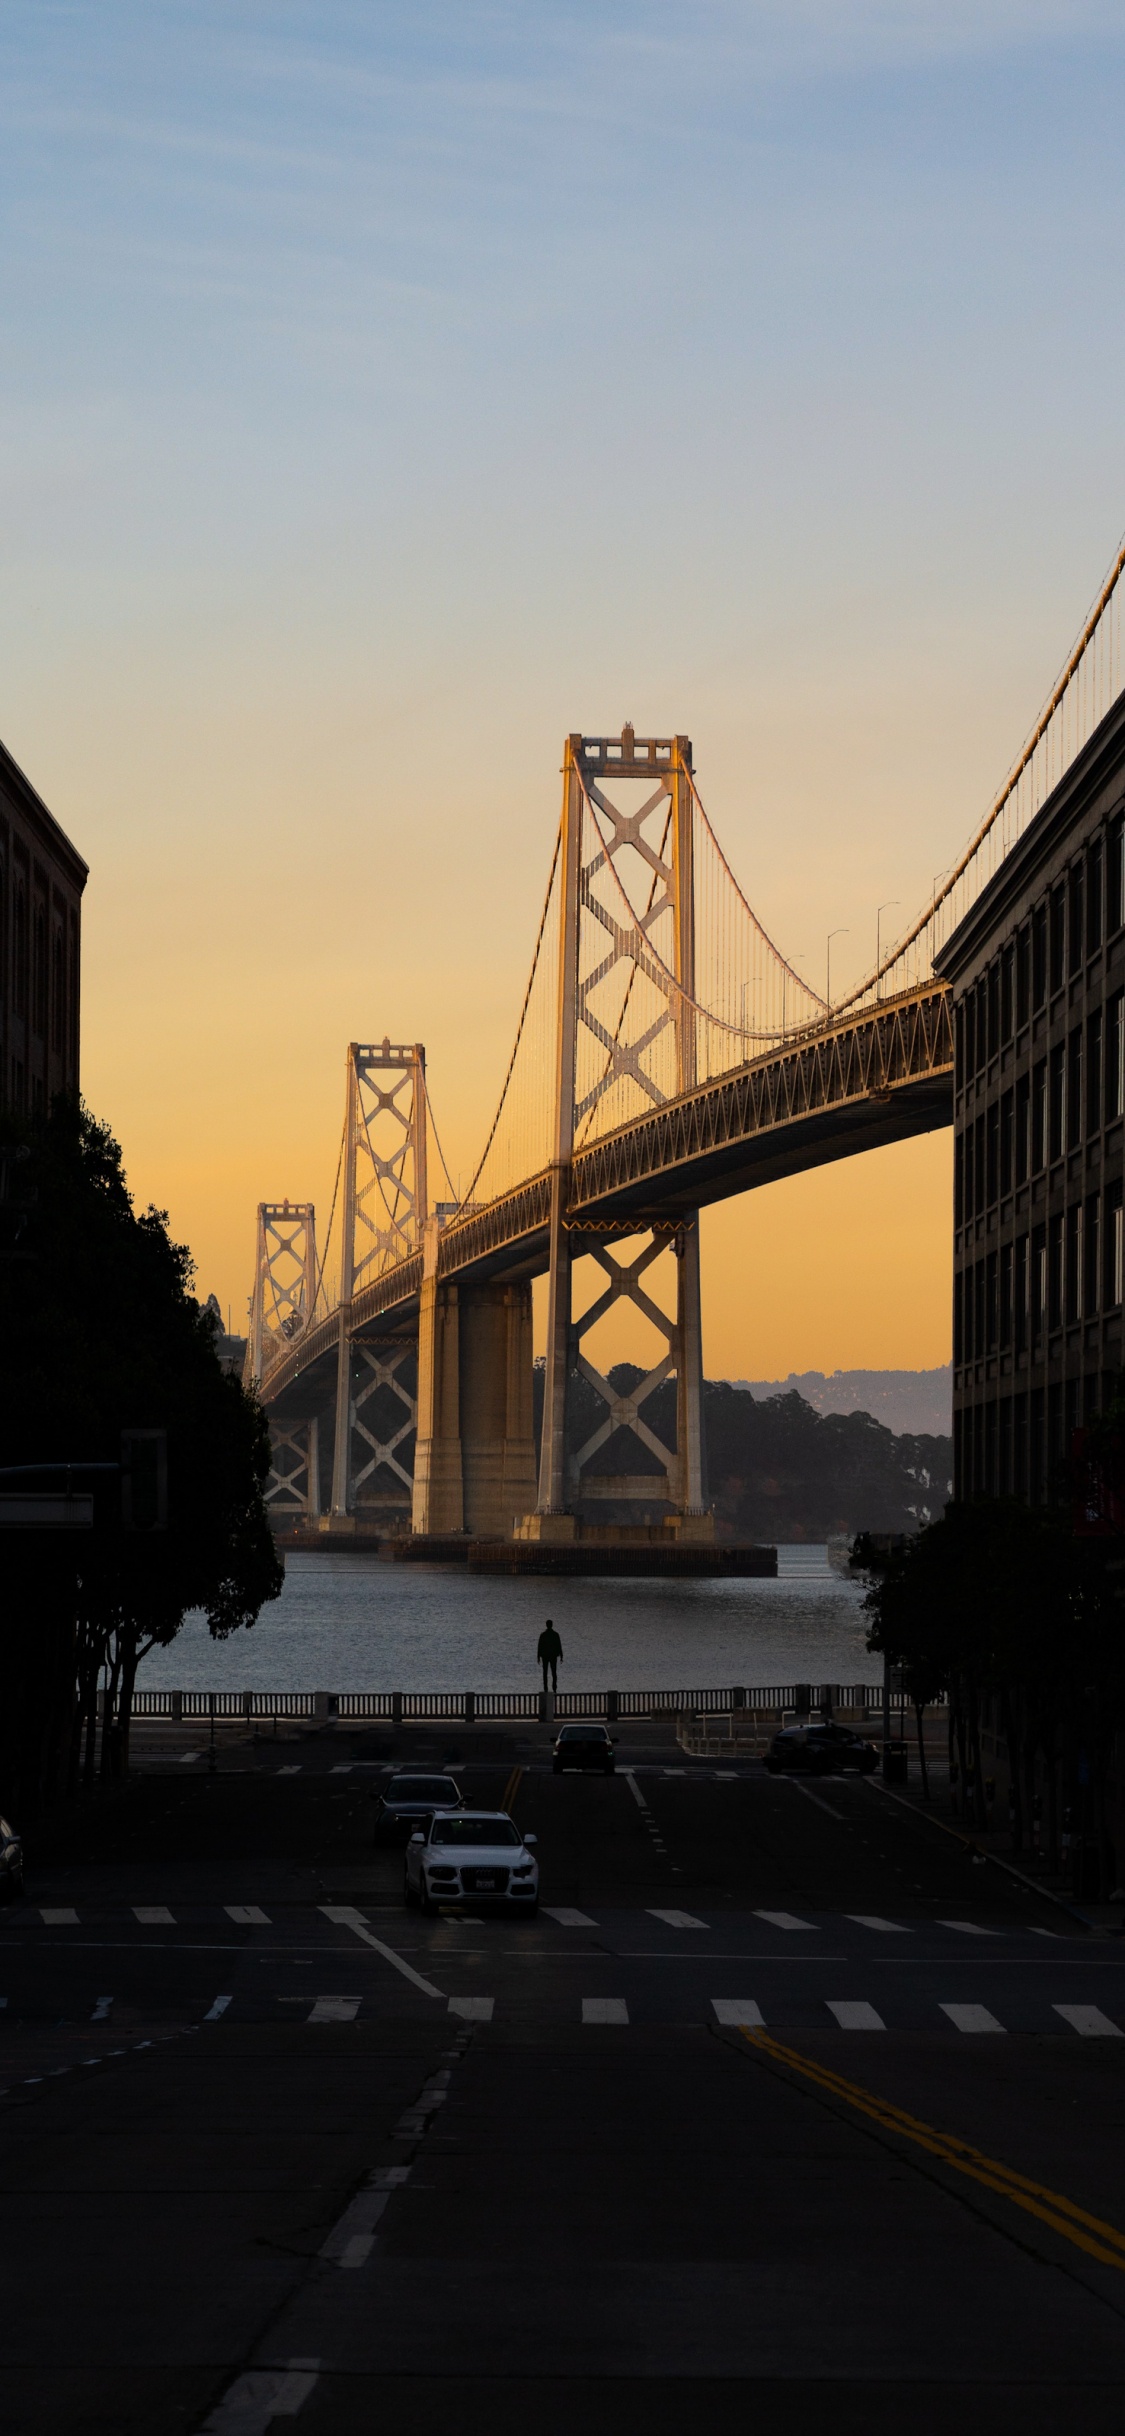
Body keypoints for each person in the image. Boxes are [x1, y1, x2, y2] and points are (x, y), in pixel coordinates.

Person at [537, 1619, 563, 1694]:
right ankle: (554, 1688)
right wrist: (561, 1655)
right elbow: (559, 1646)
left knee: (545, 1673)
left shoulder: (543, 1635)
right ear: (552, 1625)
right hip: (553, 1656)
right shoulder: (555, 1635)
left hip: (545, 1656)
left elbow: (540, 1646)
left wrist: (538, 1656)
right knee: (554, 1672)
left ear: (546, 1625)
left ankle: (546, 1688)